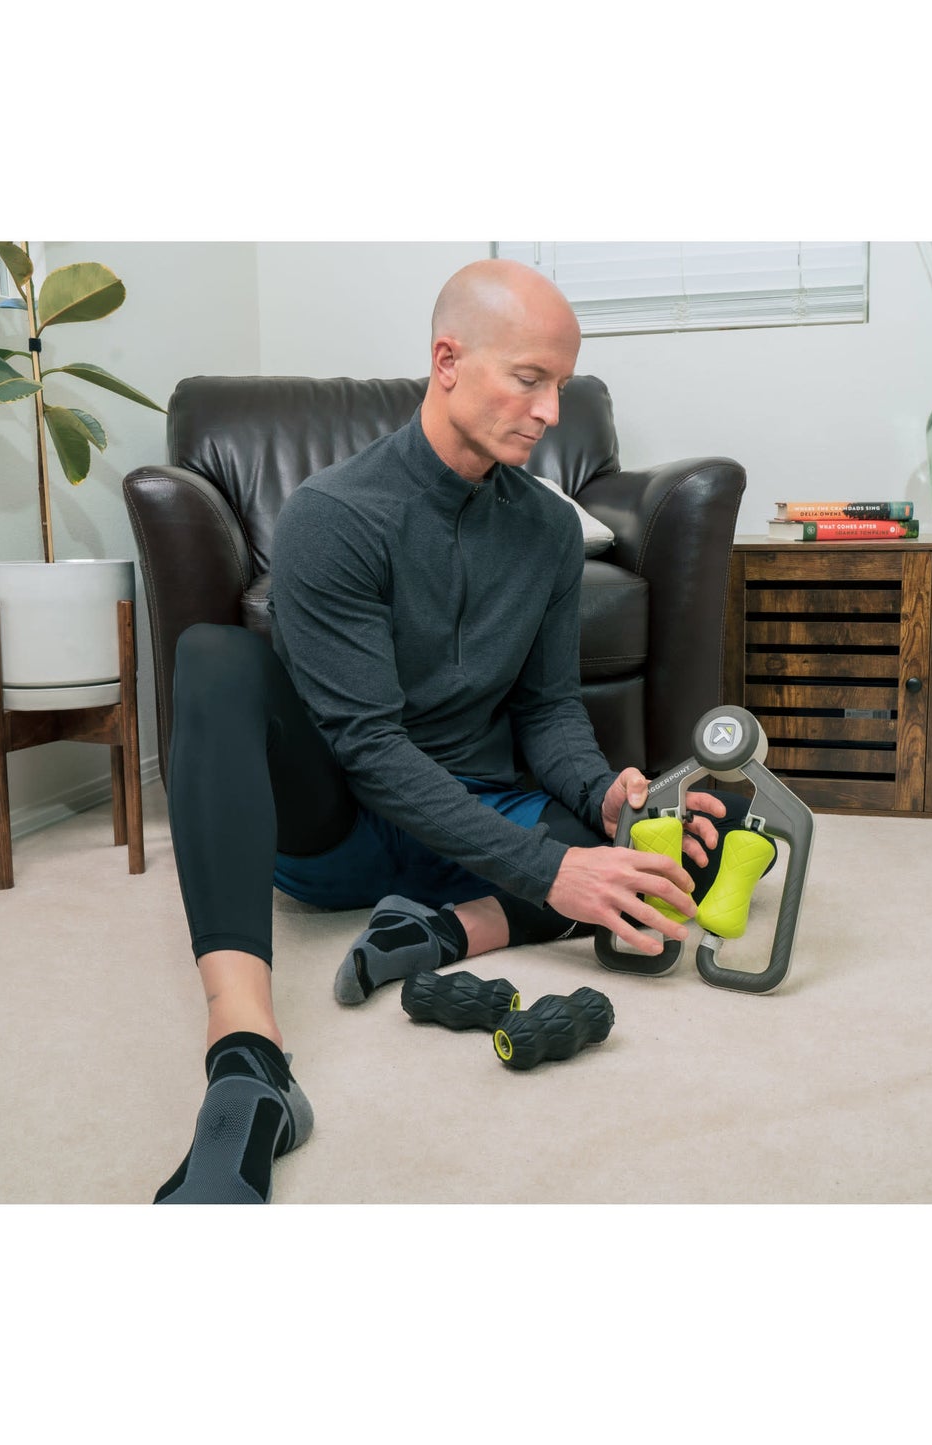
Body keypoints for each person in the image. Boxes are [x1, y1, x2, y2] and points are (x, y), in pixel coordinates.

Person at [152, 259, 767, 1205]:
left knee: (678, 842)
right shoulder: (333, 517)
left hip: (476, 824)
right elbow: (369, 750)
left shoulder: (549, 534)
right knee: (212, 658)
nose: (550, 409)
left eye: (559, 384)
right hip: (342, 827)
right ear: (448, 360)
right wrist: (554, 874)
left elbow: (549, 712)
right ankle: (246, 1053)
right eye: (529, 377)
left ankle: (445, 934)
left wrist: (607, 798)